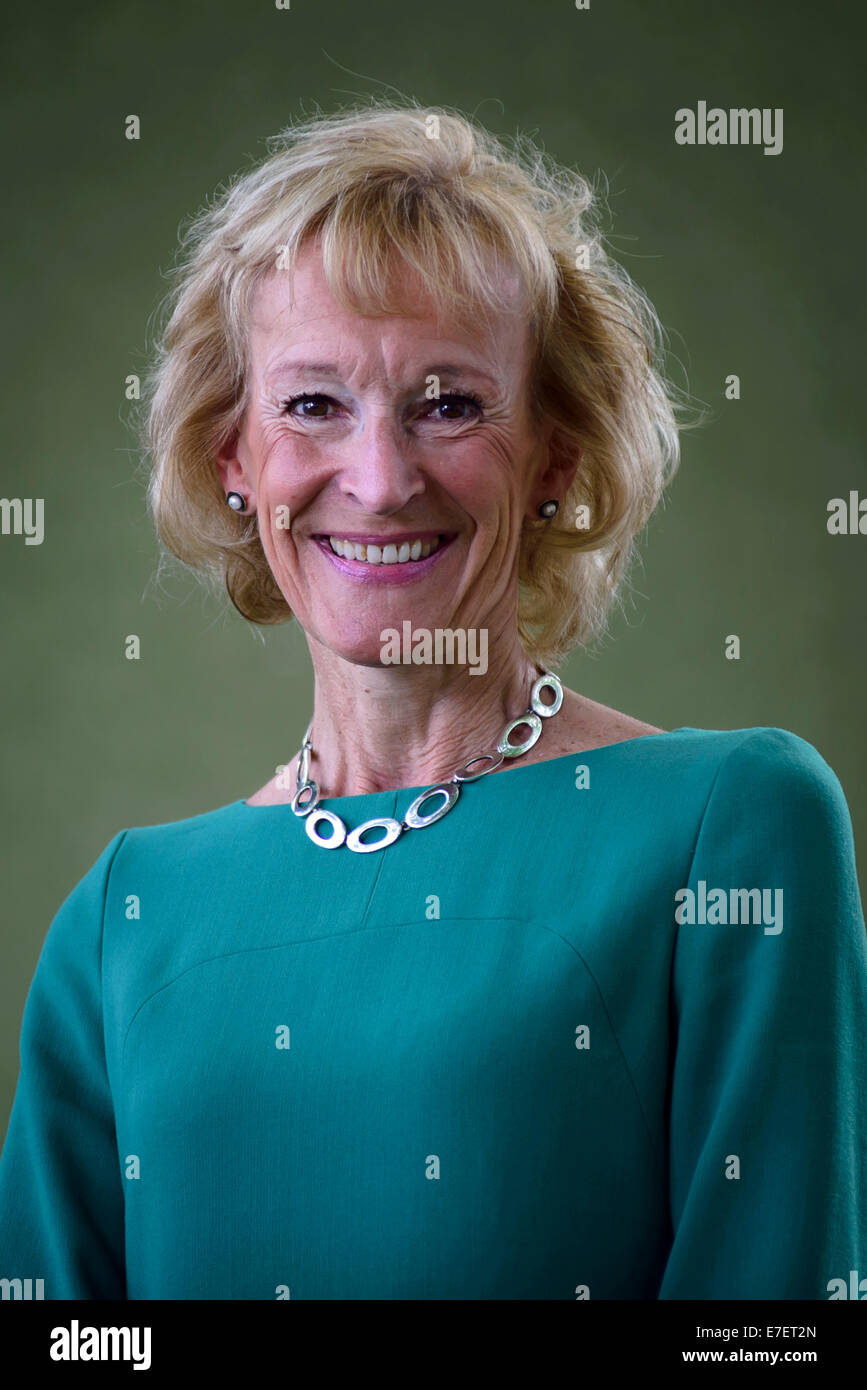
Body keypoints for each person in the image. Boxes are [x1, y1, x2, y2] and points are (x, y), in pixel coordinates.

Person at [1, 102, 865, 1301]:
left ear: (557, 456)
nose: (380, 477)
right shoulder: (125, 920)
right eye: (312, 405)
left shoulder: (732, 825)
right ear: (232, 462)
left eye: (449, 403)